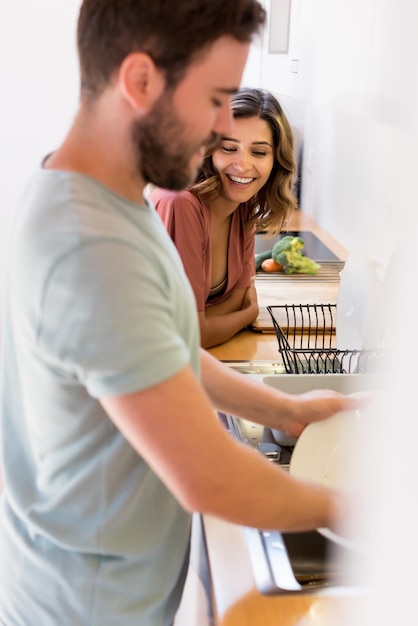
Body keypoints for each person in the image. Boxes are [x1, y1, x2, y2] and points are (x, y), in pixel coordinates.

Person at [0, 1, 364, 625]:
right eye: (216, 97)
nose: (224, 122)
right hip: (90, 608)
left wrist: (286, 411)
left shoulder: (111, 199)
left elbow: (164, 349)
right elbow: (206, 477)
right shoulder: (91, 245)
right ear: (140, 81)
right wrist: (356, 510)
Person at [151, 87, 297, 348]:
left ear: (276, 160)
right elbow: (190, 335)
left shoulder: (241, 205)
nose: (242, 165)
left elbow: (237, 299)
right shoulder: (180, 204)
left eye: (259, 152)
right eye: (229, 148)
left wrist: (207, 321)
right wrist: (248, 315)